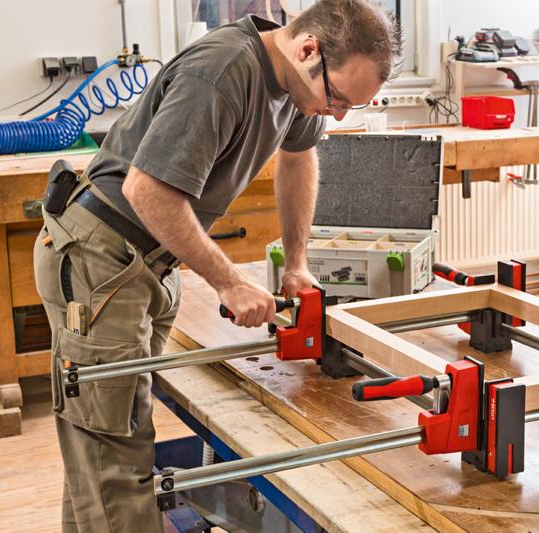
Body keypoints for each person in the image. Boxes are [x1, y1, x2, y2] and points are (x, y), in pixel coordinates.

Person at [33, 1, 402, 530]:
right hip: (103, 256)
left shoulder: (300, 86)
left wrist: (296, 262)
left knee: (101, 447)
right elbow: (147, 191)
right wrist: (229, 281)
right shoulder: (223, 72)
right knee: (113, 452)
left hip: (148, 259)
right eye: (338, 98)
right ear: (308, 50)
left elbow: (299, 157)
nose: (337, 114)